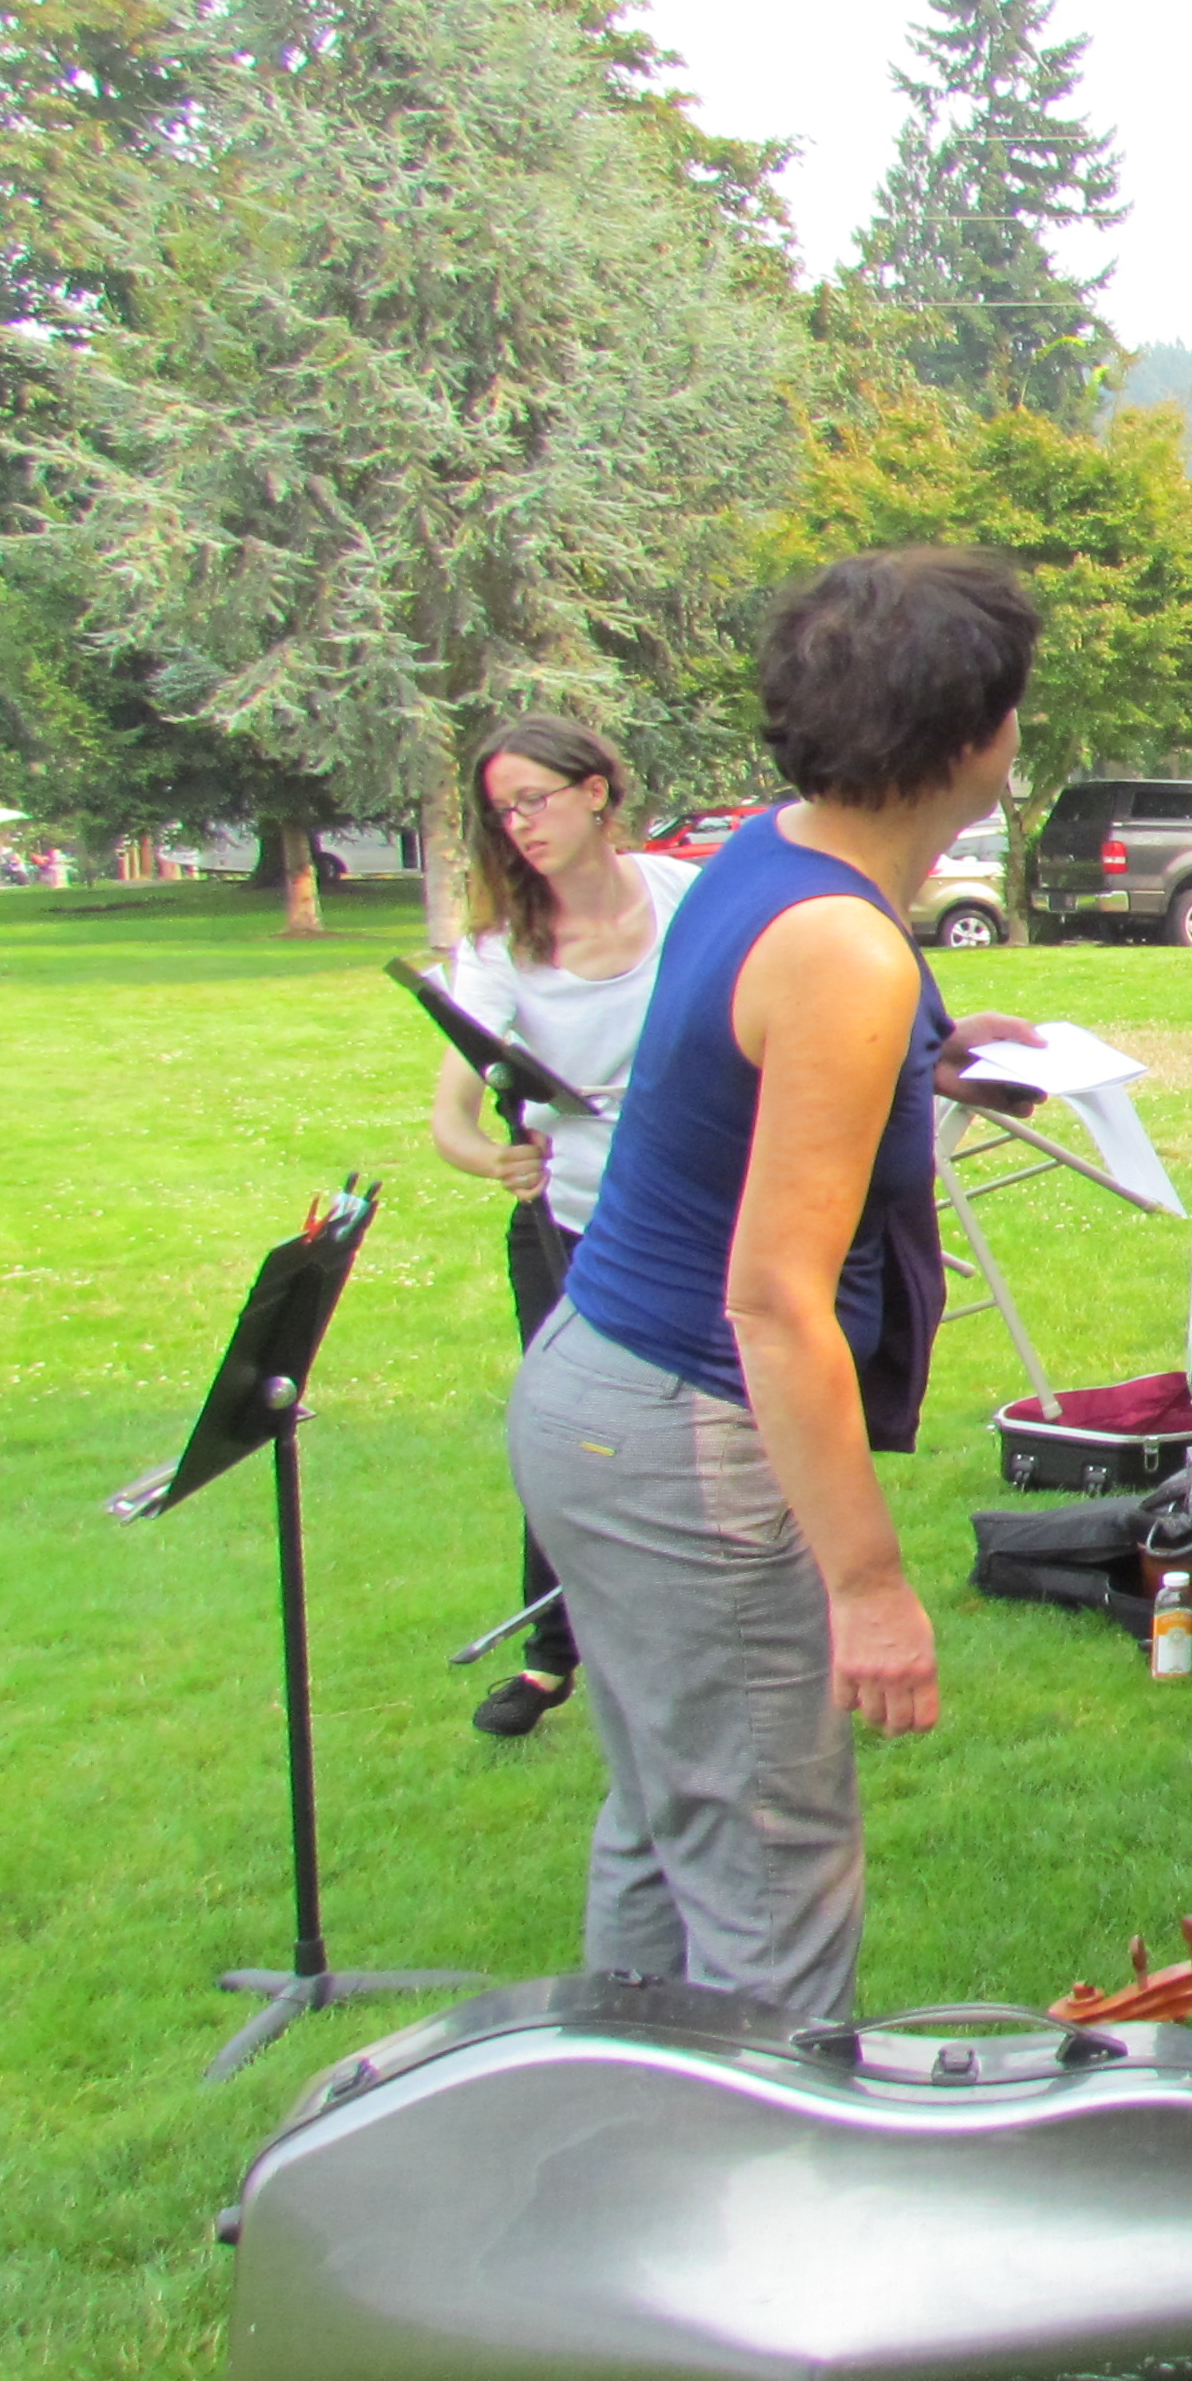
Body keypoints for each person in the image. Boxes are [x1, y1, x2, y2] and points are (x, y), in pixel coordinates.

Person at [508, 550, 1052, 2021]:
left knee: (667, 1821)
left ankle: (630, 2118)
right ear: (965, 739)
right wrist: (867, 1587)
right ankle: (765, 2154)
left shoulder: (776, 852)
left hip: (596, 1396)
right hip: (681, 1430)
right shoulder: (842, 950)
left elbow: (744, 1057)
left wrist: (930, 1054)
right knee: (769, 1876)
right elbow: (772, 1303)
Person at [425, 712, 694, 1737]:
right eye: (503, 812)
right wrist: (490, 1156)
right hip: (572, 1227)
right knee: (568, 1436)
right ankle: (550, 1654)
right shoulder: (502, 946)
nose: (520, 825)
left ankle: (707, 1633)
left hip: (695, 1213)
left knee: (706, 1427)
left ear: (595, 792)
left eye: (533, 799)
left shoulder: (683, 895)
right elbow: (452, 1114)